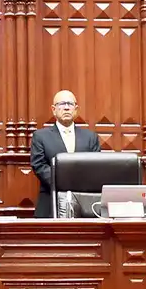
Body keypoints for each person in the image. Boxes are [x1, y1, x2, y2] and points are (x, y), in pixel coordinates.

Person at [29, 90, 101, 218]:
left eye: (70, 104)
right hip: (50, 204)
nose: (66, 107)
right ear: (53, 109)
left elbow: (96, 167)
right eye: (62, 104)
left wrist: (79, 185)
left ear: (76, 109)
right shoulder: (40, 136)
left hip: (85, 205)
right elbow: (39, 166)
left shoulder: (90, 137)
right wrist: (65, 183)